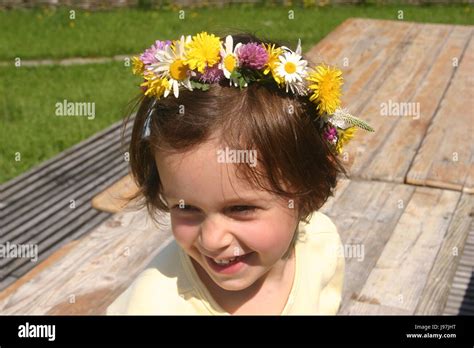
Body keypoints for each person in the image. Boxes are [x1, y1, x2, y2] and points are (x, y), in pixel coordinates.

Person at [107, 31, 373, 315]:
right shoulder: (152, 306)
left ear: (310, 191)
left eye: (240, 208)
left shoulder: (320, 243)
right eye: (185, 207)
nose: (212, 239)